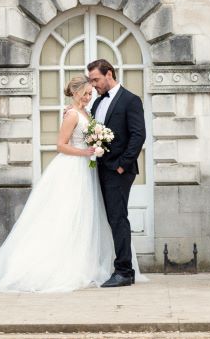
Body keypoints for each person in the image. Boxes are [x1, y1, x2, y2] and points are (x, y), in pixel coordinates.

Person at [0, 75, 115, 292]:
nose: (89, 97)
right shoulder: (71, 114)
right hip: (71, 167)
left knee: (82, 214)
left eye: (91, 93)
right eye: (86, 93)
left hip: (84, 169)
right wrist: (85, 151)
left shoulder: (86, 113)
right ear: (75, 93)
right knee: (66, 213)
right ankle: (55, 265)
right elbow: (60, 145)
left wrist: (97, 143)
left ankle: (82, 262)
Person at [87, 58, 146, 288]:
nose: (93, 85)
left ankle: (124, 271)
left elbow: (138, 135)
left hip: (119, 171)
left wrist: (122, 164)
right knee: (107, 219)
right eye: (91, 81)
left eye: (96, 80)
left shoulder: (131, 100)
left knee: (118, 218)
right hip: (99, 169)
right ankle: (108, 267)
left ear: (109, 74)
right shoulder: (96, 103)